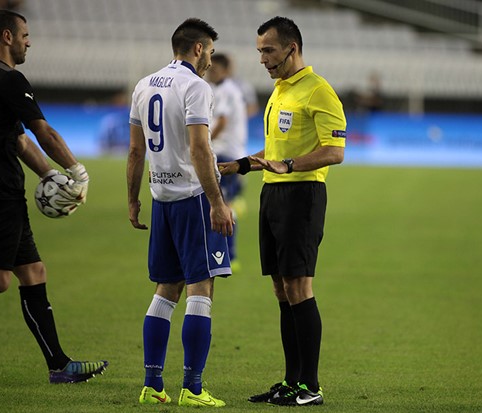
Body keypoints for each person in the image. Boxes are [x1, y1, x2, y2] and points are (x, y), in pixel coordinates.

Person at [0, 10, 108, 383]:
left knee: (33, 272)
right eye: (25, 35)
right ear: (7, 36)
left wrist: (50, 174)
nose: (28, 42)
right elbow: (43, 131)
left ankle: (59, 366)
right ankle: (59, 365)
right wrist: (77, 171)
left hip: (0, 191)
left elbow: (18, 140)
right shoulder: (9, 79)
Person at [218, 16, 346, 406]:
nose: (262, 59)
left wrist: (289, 167)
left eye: (268, 50)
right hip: (272, 196)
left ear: (292, 48)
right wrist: (239, 164)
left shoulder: (319, 91)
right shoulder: (279, 91)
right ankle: (291, 381)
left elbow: (335, 151)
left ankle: (311, 385)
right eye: (259, 51)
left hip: (302, 196)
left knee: (299, 287)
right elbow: (274, 153)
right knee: (280, 288)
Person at [127, 18, 233, 408]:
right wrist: (218, 202)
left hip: (161, 199)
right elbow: (200, 149)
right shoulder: (195, 87)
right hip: (192, 199)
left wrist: (132, 199)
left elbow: (136, 151)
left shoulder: (143, 85)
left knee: (165, 290)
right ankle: (192, 386)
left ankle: (152, 384)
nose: (210, 61)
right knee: (201, 288)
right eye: (210, 52)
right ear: (199, 49)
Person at [206, 52, 248, 271]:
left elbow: (221, 122)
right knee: (223, 204)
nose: (210, 73)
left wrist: (202, 144)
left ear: (222, 69)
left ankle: (228, 255)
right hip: (232, 151)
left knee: (222, 206)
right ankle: (226, 254)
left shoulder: (225, 90)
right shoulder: (230, 89)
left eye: (213, 69)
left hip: (225, 153)